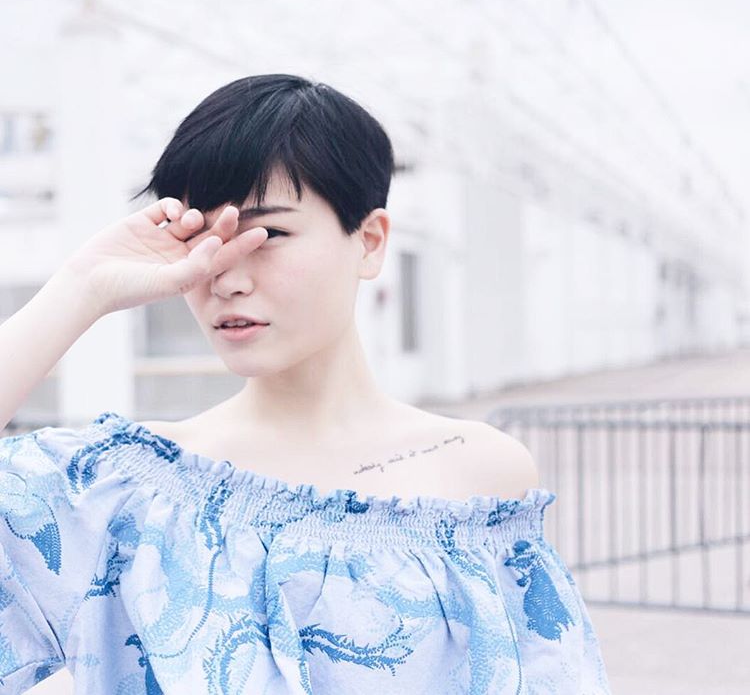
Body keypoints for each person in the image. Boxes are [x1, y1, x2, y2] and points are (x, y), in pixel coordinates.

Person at [0, 74, 611, 693]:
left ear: (368, 242)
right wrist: (81, 287)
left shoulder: (477, 473)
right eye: (200, 240)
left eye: (268, 235)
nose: (225, 278)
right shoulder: (125, 493)